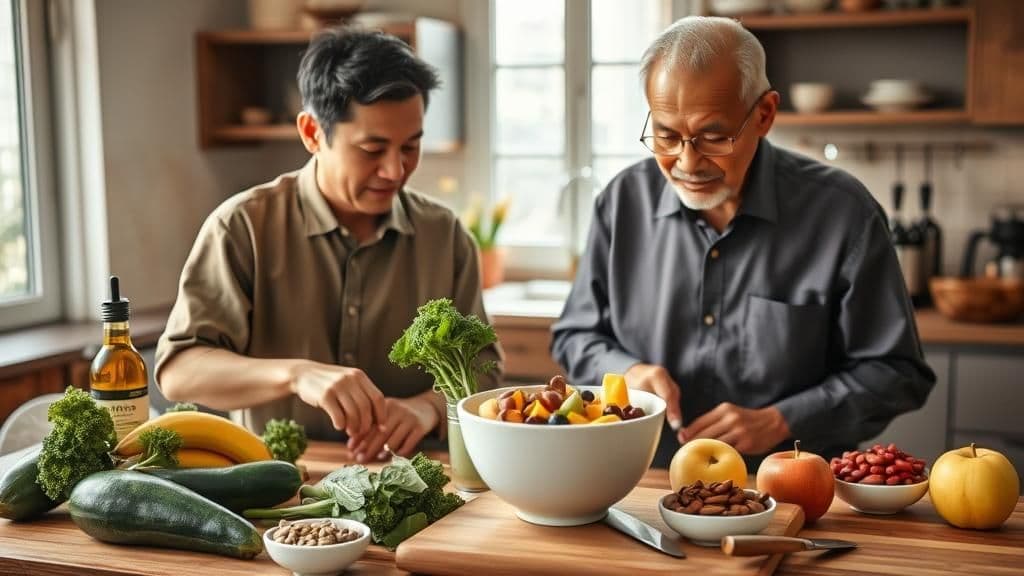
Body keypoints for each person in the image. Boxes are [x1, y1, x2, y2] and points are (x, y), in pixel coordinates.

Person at [551, 16, 934, 469]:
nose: (687, 162)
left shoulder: (844, 213)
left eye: (713, 137)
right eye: (667, 136)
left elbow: (896, 372)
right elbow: (575, 335)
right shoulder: (622, 203)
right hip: (640, 479)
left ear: (765, 114)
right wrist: (627, 373)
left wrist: (784, 419)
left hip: (791, 486)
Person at [156, 27, 503, 463]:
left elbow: (485, 370)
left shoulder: (445, 236)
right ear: (312, 133)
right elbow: (178, 371)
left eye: (410, 147)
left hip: (418, 481)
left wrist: (428, 408)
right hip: (281, 482)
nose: (395, 170)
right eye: (372, 149)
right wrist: (295, 375)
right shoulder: (241, 228)